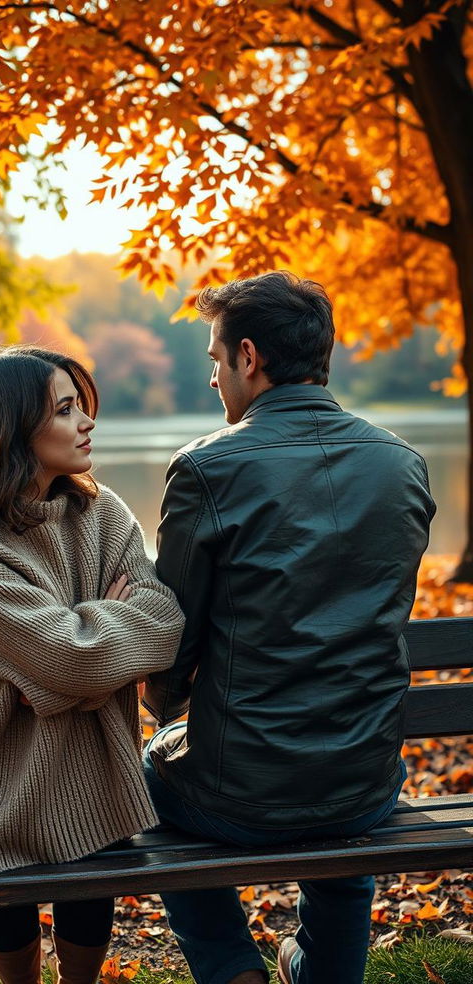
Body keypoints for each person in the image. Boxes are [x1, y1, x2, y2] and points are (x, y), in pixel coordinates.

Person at [143, 272, 436, 984]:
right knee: (337, 802)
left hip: (243, 792)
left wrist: (166, 706)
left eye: (215, 360)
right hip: (366, 780)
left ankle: (227, 963)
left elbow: (174, 648)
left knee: (152, 768)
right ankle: (323, 969)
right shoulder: (404, 465)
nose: (215, 380)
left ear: (248, 356)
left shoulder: (208, 468)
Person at [0, 345, 185, 984]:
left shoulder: (103, 511)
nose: (87, 421)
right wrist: (87, 656)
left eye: (81, 406)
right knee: (10, 873)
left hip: (94, 767)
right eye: (65, 409)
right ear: (6, 430)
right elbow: (69, 660)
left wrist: (72, 669)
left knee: (92, 836)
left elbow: (161, 620)